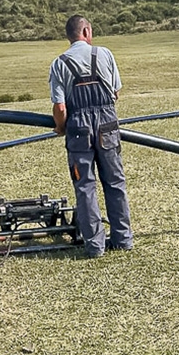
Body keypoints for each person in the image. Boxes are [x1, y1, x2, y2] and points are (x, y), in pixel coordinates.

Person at [50, 15, 133, 258]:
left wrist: (61, 126)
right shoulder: (104, 54)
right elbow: (115, 92)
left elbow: (60, 108)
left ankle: (95, 246)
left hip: (78, 129)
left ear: (69, 36)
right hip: (107, 124)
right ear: (86, 31)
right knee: (115, 182)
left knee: (85, 187)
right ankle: (123, 239)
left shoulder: (59, 63)